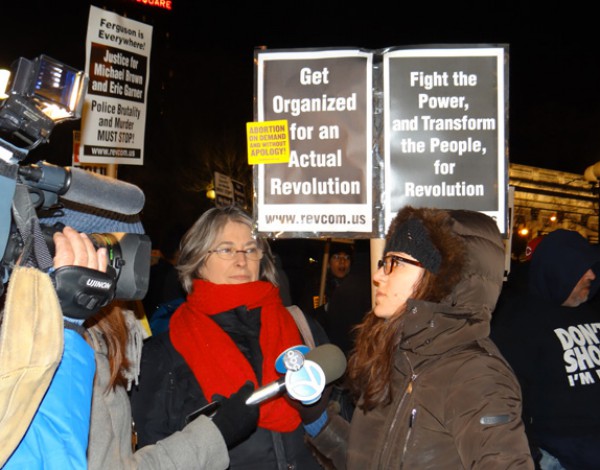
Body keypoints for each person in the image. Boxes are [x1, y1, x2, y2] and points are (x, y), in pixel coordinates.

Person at [305, 205, 535, 469]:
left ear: (442, 279)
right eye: (384, 262)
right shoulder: (396, 354)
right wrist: (318, 420)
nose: (379, 275)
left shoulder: (475, 374)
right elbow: (373, 460)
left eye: (395, 263)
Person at [130, 205, 328, 469]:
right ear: (198, 261)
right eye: (226, 249)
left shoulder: (303, 328)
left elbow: (341, 422)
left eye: (250, 249)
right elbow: (154, 451)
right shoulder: (162, 354)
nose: (241, 260)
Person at [491, 229, 600, 470]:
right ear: (560, 270)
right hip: (557, 455)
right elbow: (507, 401)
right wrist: (533, 458)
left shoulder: (592, 311)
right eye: (582, 268)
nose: (591, 275)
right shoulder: (518, 324)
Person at [298, 241, 354, 327]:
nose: (342, 261)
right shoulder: (317, 287)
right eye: (336, 257)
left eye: (347, 257)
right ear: (328, 263)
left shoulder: (355, 288)